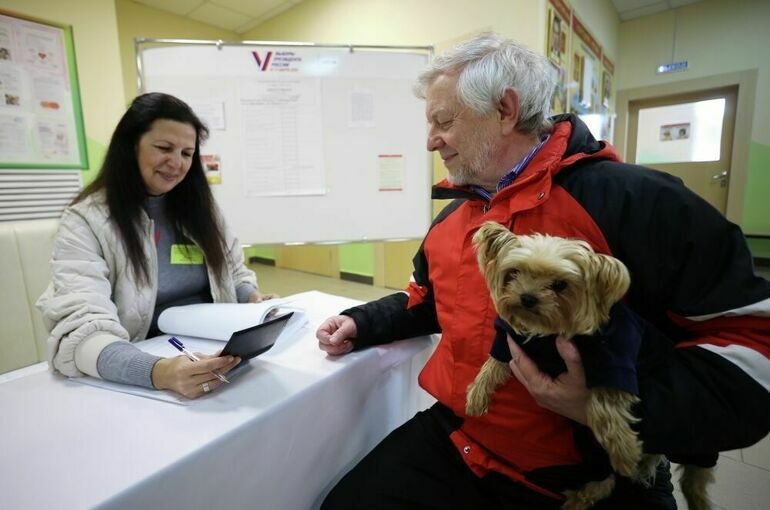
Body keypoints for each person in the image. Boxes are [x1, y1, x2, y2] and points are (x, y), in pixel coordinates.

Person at [316, 33, 770, 509]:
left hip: (590, 471)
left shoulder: (640, 204)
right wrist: (362, 322)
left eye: (443, 121)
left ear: (505, 110)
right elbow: (426, 301)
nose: (430, 140)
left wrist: (600, 405)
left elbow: (752, 349)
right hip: (461, 438)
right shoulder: (451, 220)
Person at [38, 92, 277, 399]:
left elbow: (233, 272)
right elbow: (82, 331)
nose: (176, 163)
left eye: (187, 153)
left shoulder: (203, 210)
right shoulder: (86, 220)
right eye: (164, 148)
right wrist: (158, 372)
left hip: (213, 356)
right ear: (130, 147)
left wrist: (252, 297)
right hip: (145, 365)